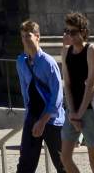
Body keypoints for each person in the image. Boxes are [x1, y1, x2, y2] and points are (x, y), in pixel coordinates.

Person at [15, 19, 66, 173]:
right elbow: (25, 91)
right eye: (22, 36)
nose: (25, 40)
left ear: (37, 37)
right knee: (25, 164)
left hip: (52, 120)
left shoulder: (48, 63)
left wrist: (43, 121)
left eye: (28, 36)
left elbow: (57, 96)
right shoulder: (21, 62)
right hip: (32, 117)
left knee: (62, 164)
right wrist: (28, 117)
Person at [60, 13, 94, 173]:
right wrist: (72, 113)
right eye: (67, 31)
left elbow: (91, 84)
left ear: (83, 32)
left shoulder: (91, 50)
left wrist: (80, 114)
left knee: (93, 158)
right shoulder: (66, 52)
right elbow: (67, 84)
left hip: (91, 110)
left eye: (72, 32)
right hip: (72, 110)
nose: (68, 35)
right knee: (65, 157)